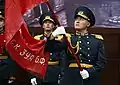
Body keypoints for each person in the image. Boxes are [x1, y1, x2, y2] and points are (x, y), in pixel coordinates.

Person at [59, 5, 106, 85]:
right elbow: (59, 56)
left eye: (81, 19)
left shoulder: (97, 40)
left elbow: (101, 63)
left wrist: (89, 72)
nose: (77, 21)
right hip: (71, 77)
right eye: (76, 19)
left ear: (88, 24)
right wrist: (53, 35)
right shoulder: (68, 39)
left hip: (89, 78)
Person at [30, 12, 67, 85]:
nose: (47, 24)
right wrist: (32, 76)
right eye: (45, 22)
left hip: (55, 72)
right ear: (42, 25)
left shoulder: (60, 39)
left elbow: (63, 58)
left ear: (53, 25)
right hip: (40, 72)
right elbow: (33, 58)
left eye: (50, 23)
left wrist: (62, 75)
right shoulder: (37, 39)